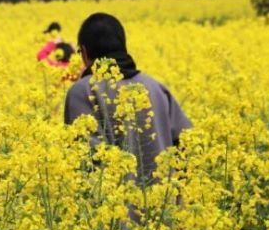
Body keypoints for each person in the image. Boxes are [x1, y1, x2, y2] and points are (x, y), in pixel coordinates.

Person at [64, 13, 191, 184]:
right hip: (164, 208)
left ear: (85, 52)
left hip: (112, 208)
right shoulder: (156, 88)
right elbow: (188, 146)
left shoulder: (83, 91)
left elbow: (84, 161)